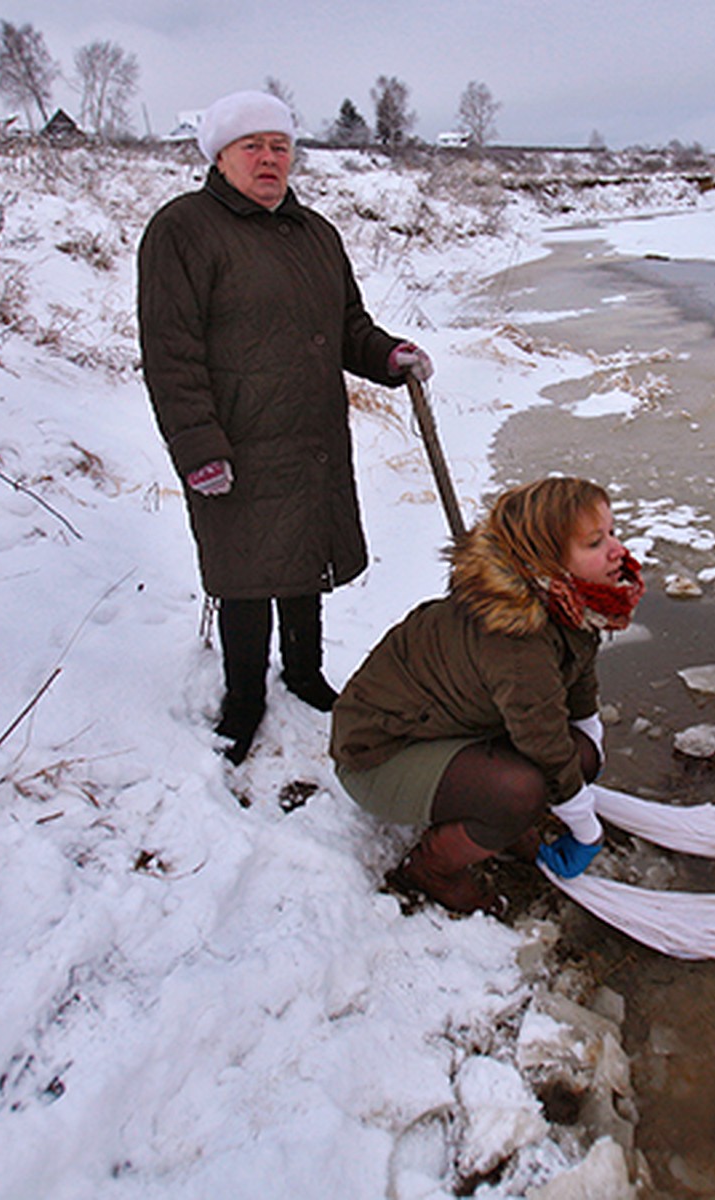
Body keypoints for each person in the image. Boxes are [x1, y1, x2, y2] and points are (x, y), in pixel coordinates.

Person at [138, 90, 433, 765]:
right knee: (245, 570)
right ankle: (244, 698)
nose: (270, 159)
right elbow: (170, 351)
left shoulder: (315, 233)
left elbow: (346, 326)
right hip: (236, 437)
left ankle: (303, 674)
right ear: (220, 155)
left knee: (305, 556)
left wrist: (388, 355)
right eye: (253, 147)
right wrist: (198, 446)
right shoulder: (183, 229)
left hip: (312, 432)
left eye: (280, 147)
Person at [329, 476, 645, 915]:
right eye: (595, 543)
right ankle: (431, 869)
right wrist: (584, 826)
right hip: (382, 753)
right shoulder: (517, 635)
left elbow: (575, 678)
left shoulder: (567, 600)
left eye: (612, 532)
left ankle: (498, 827)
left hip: (450, 728)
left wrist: (590, 736)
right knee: (520, 790)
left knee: (581, 757)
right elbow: (541, 736)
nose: (616, 550)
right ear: (547, 560)